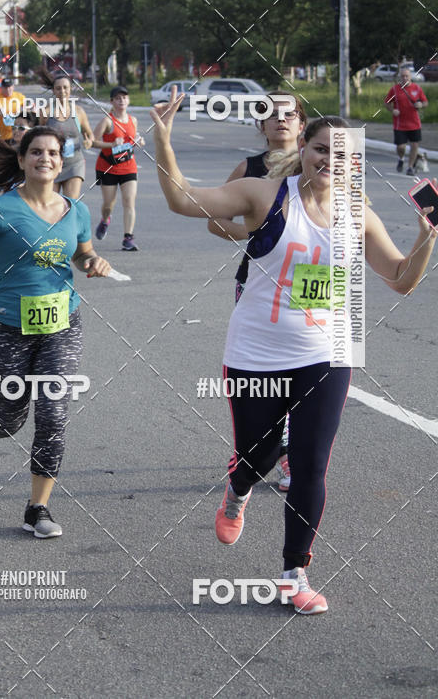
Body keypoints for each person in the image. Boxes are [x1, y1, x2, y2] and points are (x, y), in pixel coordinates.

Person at [151, 91, 436, 614]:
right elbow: (182, 200)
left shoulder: (358, 215)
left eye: (345, 154)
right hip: (256, 354)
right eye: (322, 149)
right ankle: (239, 488)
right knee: (258, 458)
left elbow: (401, 280)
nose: (332, 161)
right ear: (303, 147)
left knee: (309, 465)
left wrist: (426, 238)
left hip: (327, 355)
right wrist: (163, 140)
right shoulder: (265, 194)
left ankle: (293, 573)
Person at [0, 126, 111, 537]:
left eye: (52, 153)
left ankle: (38, 508)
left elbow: (84, 254)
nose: (45, 159)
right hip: (6, 328)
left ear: (61, 160)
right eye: (36, 152)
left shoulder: (77, 211)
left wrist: (94, 263)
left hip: (62, 323)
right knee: (10, 412)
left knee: (53, 414)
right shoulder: (0, 209)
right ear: (22, 161)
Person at [207, 94, 307, 491]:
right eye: (271, 114)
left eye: (290, 114)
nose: (281, 120)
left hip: (312, 285)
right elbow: (216, 222)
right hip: (259, 282)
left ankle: (292, 456)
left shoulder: (318, 162)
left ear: (302, 124)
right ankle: (270, 452)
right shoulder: (249, 169)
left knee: (308, 371)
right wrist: (258, 236)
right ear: (260, 125)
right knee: (268, 373)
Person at [92, 85, 145, 251]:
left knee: (129, 201)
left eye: (124, 97)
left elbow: (133, 140)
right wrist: (111, 143)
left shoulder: (133, 120)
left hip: (128, 166)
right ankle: (105, 219)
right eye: (118, 98)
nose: (122, 100)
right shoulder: (107, 121)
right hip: (107, 166)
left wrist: (139, 142)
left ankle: (128, 238)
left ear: (128, 100)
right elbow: (92, 141)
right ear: (112, 102)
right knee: (109, 204)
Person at [37, 72, 94, 199]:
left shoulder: (79, 111)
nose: (62, 91)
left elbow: (89, 133)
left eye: (65, 88)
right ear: (53, 90)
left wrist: (89, 141)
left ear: (70, 89)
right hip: (52, 163)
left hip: (75, 163)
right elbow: (39, 136)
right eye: (58, 88)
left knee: (71, 203)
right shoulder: (45, 112)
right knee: (51, 204)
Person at [384, 66, 428, 175]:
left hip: (414, 123)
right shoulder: (394, 89)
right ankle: (401, 158)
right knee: (401, 147)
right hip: (400, 124)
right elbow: (386, 103)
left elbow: (425, 102)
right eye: (402, 76)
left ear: (410, 77)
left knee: (414, 145)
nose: (404, 78)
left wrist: (421, 104)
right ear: (400, 77)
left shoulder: (417, 88)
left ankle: (410, 167)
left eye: (406, 76)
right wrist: (393, 110)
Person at [0, 77, 26, 143]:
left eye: (9, 87)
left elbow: (30, 110)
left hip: (17, 135)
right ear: (1, 87)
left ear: (13, 87)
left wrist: (21, 113)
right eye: (5, 87)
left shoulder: (19, 96)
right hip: (2, 136)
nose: (8, 89)